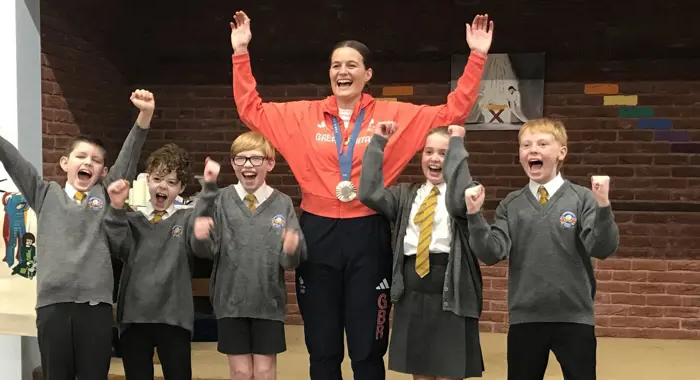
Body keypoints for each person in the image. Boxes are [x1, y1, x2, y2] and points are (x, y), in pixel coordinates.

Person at [228, 10, 494, 380]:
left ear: (367, 75)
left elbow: (454, 111)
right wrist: (240, 52)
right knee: (322, 346)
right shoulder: (302, 116)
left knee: (367, 345)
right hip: (317, 233)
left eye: (352, 65)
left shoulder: (393, 114)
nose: (343, 71)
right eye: (336, 65)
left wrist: (477, 57)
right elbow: (250, 109)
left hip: (368, 233)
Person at [0, 90, 154, 380]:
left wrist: (144, 116)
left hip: (95, 307)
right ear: (65, 163)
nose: (88, 162)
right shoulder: (45, 193)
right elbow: (13, 160)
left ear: (103, 172)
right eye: (81, 156)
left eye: (96, 160)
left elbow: (128, 157)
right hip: (53, 306)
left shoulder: (104, 193)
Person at [464, 118, 620, 380]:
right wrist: (475, 216)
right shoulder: (511, 205)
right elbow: (490, 253)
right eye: (526, 145)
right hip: (526, 318)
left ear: (562, 152)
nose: (532, 150)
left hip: (574, 317)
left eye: (542, 143)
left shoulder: (582, 198)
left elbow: (602, 247)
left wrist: (603, 206)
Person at [359, 123, 484, 380]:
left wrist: (458, 142)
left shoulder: (464, 194)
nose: (435, 158)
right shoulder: (407, 194)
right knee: (421, 373)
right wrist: (378, 143)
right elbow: (368, 193)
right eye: (429, 152)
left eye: (444, 153)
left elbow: (460, 193)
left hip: (450, 291)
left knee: (449, 371)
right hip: (413, 289)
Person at [191, 132, 307, 380]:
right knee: (241, 371)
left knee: (264, 371)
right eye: (240, 159)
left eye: (255, 159)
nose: (248, 165)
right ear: (233, 164)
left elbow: (292, 260)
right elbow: (204, 250)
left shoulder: (282, 203)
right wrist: (201, 236)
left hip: (268, 304)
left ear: (270, 163)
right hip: (230, 303)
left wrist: (291, 249)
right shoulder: (220, 200)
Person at [103, 143, 197, 380]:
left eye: (172, 182)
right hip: (134, 318)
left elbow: (203, 244)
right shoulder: (131, 219)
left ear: (182, 188)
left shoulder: (187, 219)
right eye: (157, 179)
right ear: (146, 181)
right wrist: (115, 208)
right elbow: (117, 245)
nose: (162, 186)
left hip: (174, 318)